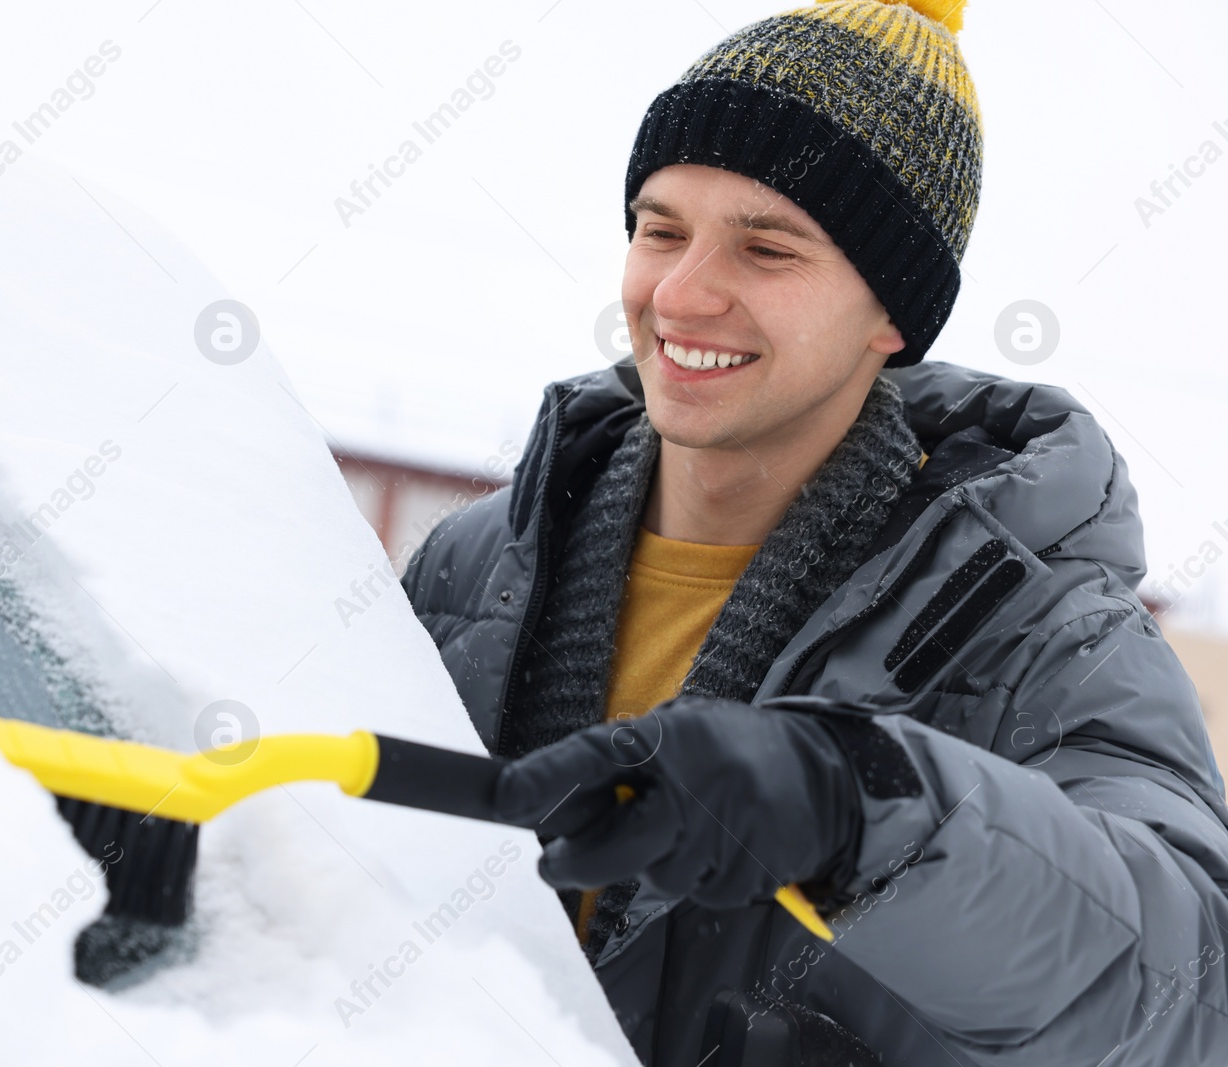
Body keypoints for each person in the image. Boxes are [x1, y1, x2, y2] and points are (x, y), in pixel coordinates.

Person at [400, 1, 1228, 1063]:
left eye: (767, 247)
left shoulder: (1045, 638)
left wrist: (857, 803)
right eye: (660, 229)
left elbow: (1188, 994)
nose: (684, 292)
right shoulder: (467, 567)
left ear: (889, 314)